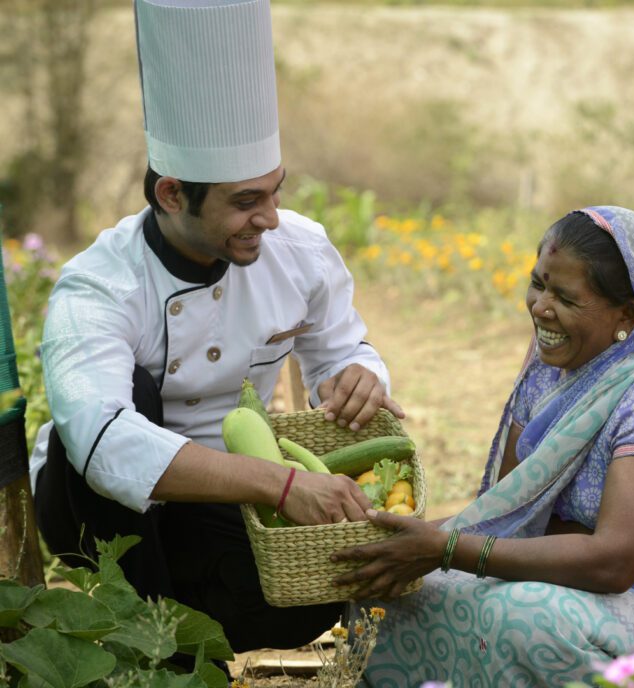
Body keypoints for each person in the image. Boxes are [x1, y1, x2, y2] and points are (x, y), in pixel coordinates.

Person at [28, 0, 401, 659]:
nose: (272, 219)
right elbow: (101, 444)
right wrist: (280, 485)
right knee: (136, 398)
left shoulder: (301, 253)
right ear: (173, 195)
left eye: (275, 192)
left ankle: (181, 631)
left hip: (225, 500)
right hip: (90, 507)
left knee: (308, 601)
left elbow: (346, 349)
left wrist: (360, 377)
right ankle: (142, 640)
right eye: (245, 202)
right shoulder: (98, 286)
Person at [331, 206, 634, 687]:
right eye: (538, 283)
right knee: (390, 587)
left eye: (565, 297)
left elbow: (615, 561)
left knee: (523, 617)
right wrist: (404, 543)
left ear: (626, 315)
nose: (541, 307)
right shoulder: (548, 374)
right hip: (574, 581)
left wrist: (445, 549)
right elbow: (508, 516)